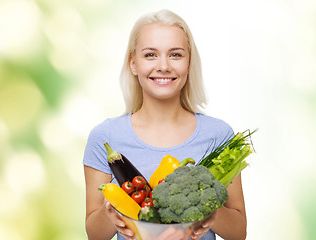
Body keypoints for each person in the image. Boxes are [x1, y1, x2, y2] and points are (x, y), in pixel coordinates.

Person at [83, 9, 247, 240]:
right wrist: (110, 212)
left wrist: (211, 212)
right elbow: (94, 235)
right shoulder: (105, 136)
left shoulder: (218, 135)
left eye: (176, 55)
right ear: (133, 63)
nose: (163, 66)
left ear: (189, 63)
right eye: (150, 55)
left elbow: (239, 233)